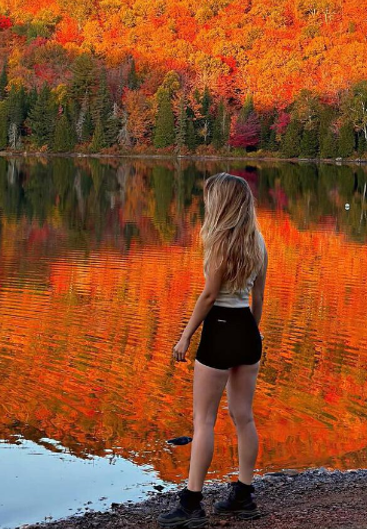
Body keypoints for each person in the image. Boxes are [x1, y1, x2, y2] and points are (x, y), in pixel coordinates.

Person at [158, 173, 267, 528]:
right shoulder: (259, 242)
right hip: (248, 331)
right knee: (243, 417)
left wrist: (185, 336)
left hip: (219, 330)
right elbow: (258, 298)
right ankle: (243, 495)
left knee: (204, 421)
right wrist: (253, 333)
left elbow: (208, 296)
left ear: (220, 203)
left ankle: (191, 503)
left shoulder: (220, 242)